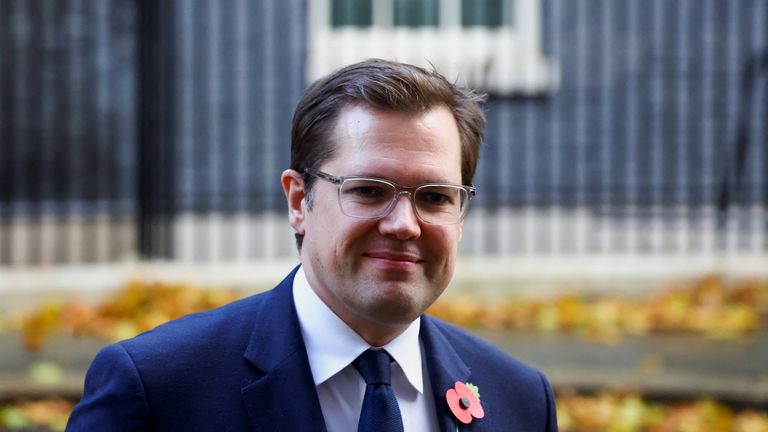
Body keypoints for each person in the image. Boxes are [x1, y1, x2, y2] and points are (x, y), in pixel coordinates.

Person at [66, 59, 558, 431]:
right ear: (300, 201)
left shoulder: (520, 400)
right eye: (369, 190)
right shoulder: (158, 389)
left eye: (434, 197)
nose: (405, 225)